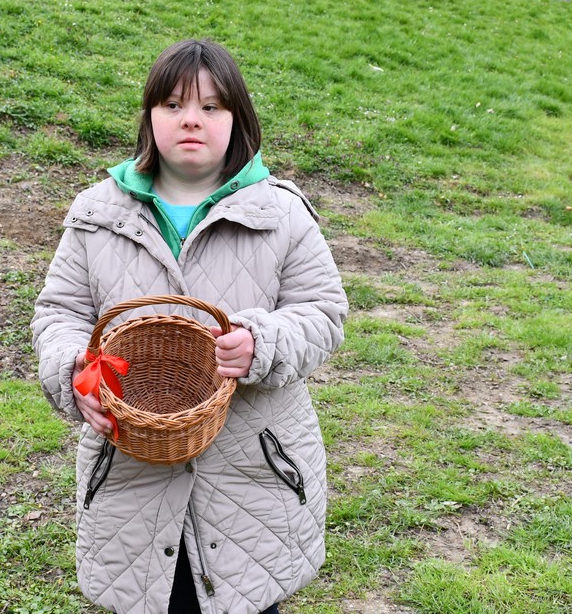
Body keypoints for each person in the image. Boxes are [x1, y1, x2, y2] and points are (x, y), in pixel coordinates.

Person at [32, 39, 347, 614]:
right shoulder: (97, 212)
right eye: (173, 104)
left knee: (245, 601)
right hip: (131, 469)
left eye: (211, 107)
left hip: (252, 472)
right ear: (150, 116)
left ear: (238, 120)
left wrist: (264, 342)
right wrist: (71, 369)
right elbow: (59, 313)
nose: (191, 121)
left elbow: (323, 312)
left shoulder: (280, 213)